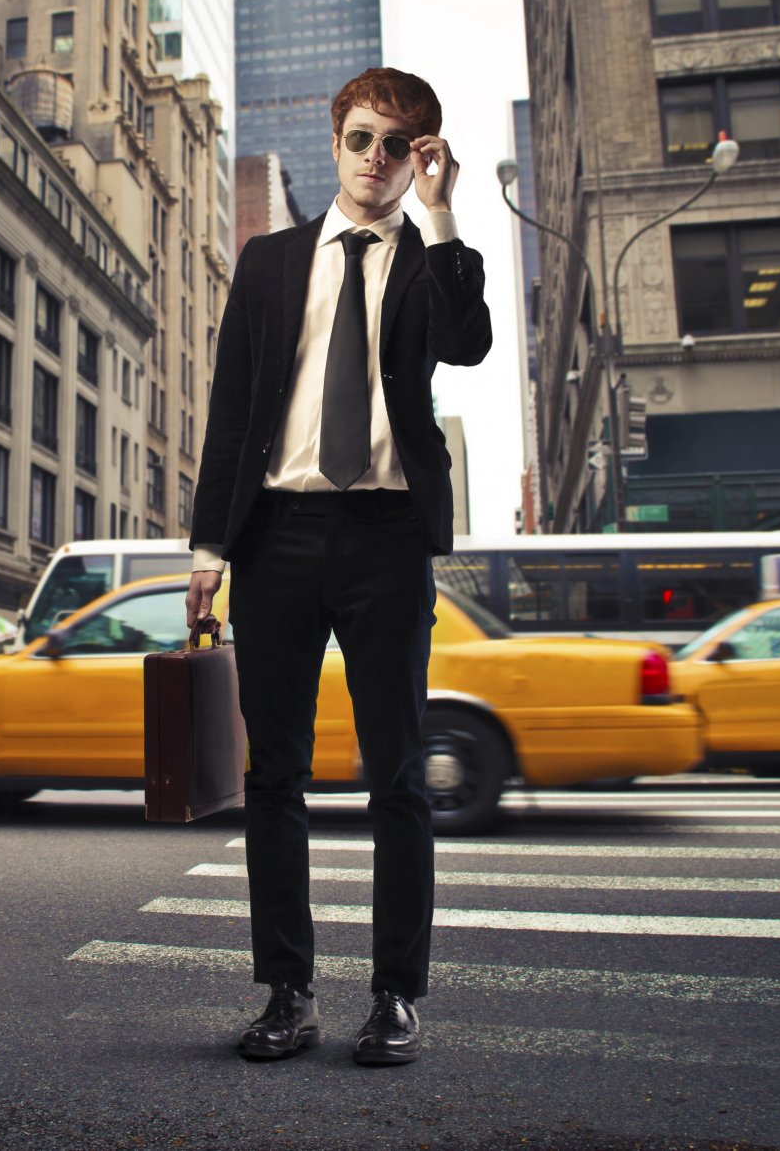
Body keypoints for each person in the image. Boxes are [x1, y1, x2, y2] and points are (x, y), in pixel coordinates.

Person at [185, 68, 491, 1068]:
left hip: (387, 539)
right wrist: (207, 544)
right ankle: (287, 991)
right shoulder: (271, 262)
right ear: (336, 142)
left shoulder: (429, 260)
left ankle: (397, 996)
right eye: (362, 139)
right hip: (277, 534)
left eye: (398, 147)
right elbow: (233, 410)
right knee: (275, 774)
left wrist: (441, 218)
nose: (375, 161)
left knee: (397, 775)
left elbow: (472, 343)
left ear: (422, 157)